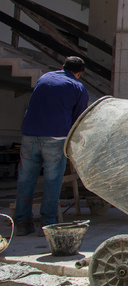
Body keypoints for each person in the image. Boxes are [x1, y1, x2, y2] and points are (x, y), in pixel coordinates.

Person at [13, 56, 89, 236]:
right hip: (56, 138)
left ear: (62, 66)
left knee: (25, 180)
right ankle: (47, 225)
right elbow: (78, 120)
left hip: (29, 135)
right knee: (52, 182)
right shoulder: (78, 87)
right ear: (79, 73)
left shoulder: (44, 78)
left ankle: (22, 223)